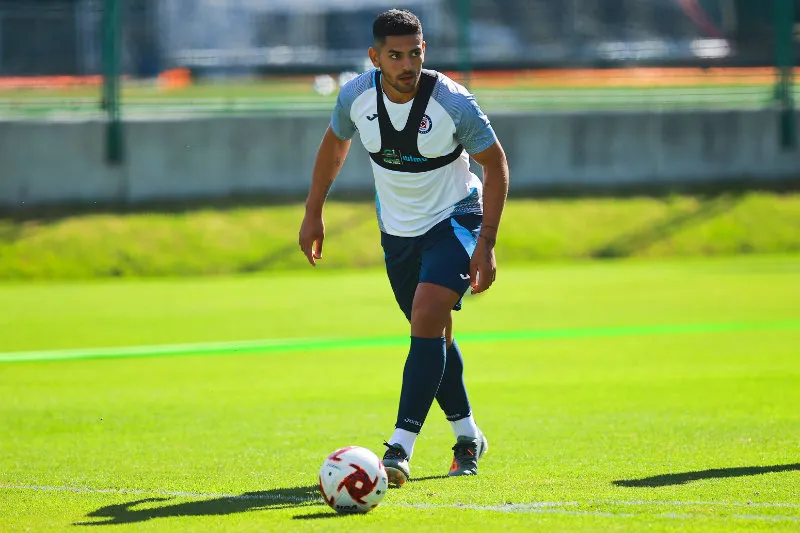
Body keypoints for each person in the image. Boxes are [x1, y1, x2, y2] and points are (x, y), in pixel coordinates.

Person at [298, 8, 509, 486]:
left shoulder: (453, 102)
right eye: (394, 56)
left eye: (414, 53)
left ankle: (399, 448)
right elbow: (334, 146)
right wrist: (314, 211)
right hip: (398, 235)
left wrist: (487, 243)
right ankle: (468, 435)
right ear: (375, 58)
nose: (406, 64)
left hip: (457, 220)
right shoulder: (355, 96)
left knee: (428, 314)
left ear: (424, 52)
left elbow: (495, 165)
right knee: (431, 333)